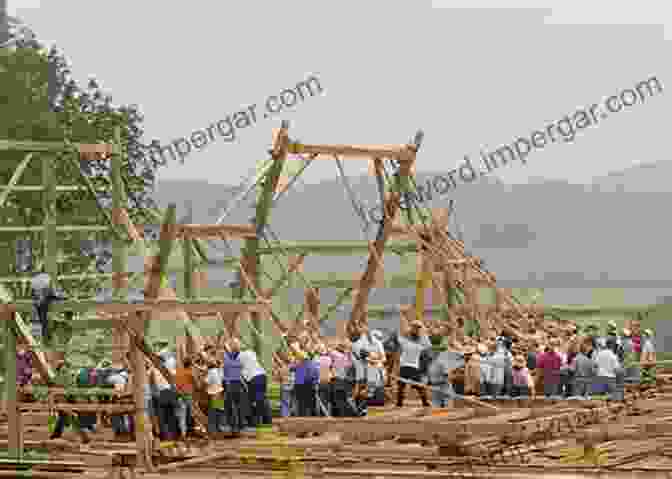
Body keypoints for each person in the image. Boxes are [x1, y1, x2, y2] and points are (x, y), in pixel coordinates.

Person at [396, 319, 430, 407]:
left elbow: (427, 345)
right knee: (401, 386)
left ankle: (425, 402)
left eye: (417, 328)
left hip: (414, 367)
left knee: (419, 387)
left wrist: (421, 330)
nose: (416, 329)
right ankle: (399, 403)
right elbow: (402, 333)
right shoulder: (406, 340)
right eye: (414, 327)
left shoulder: (420, 342)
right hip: (404, 365)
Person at [222, 339, 249, 434]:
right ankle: (238, 425)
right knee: (237, 405)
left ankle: (235, 426)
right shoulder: (237, 359)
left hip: (232, 383)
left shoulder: (229, 359)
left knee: (232, 406)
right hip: (236, 383)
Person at [239, 347, 270, 428]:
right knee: (262, 398)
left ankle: (257, 421)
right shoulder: (251, 352)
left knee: (254, 400)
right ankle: (266, 419)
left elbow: (239, 368)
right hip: (262, 375)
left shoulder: (240, 356)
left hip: (253, 378)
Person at [330, 339, 358, 417]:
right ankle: (343, 414)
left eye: (345, 346)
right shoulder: (334, 353)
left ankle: (351, 413)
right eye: (342, 346)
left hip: (346, 379)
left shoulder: (349, 355)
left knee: (345, 398)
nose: (345, 347)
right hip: (338, 378)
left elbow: (352, 365)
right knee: (339, 398)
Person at [174, 356, 195, 440]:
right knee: (192, 414)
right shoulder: (190, 372)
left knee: (182, 416)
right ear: (190, 365)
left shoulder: (178, 372)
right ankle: (191, 431)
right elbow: (196, 383)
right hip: (187, 395)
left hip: (179, 395)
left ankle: (183, 434)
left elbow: (175, 383)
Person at [206, 355, 226, 434]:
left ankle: (212, 429)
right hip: (220, 392)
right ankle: (219, 427)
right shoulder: (219, 371)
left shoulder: (211, 372)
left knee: (213, 412)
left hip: (214, 393)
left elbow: (206, 382)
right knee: (219, 410)